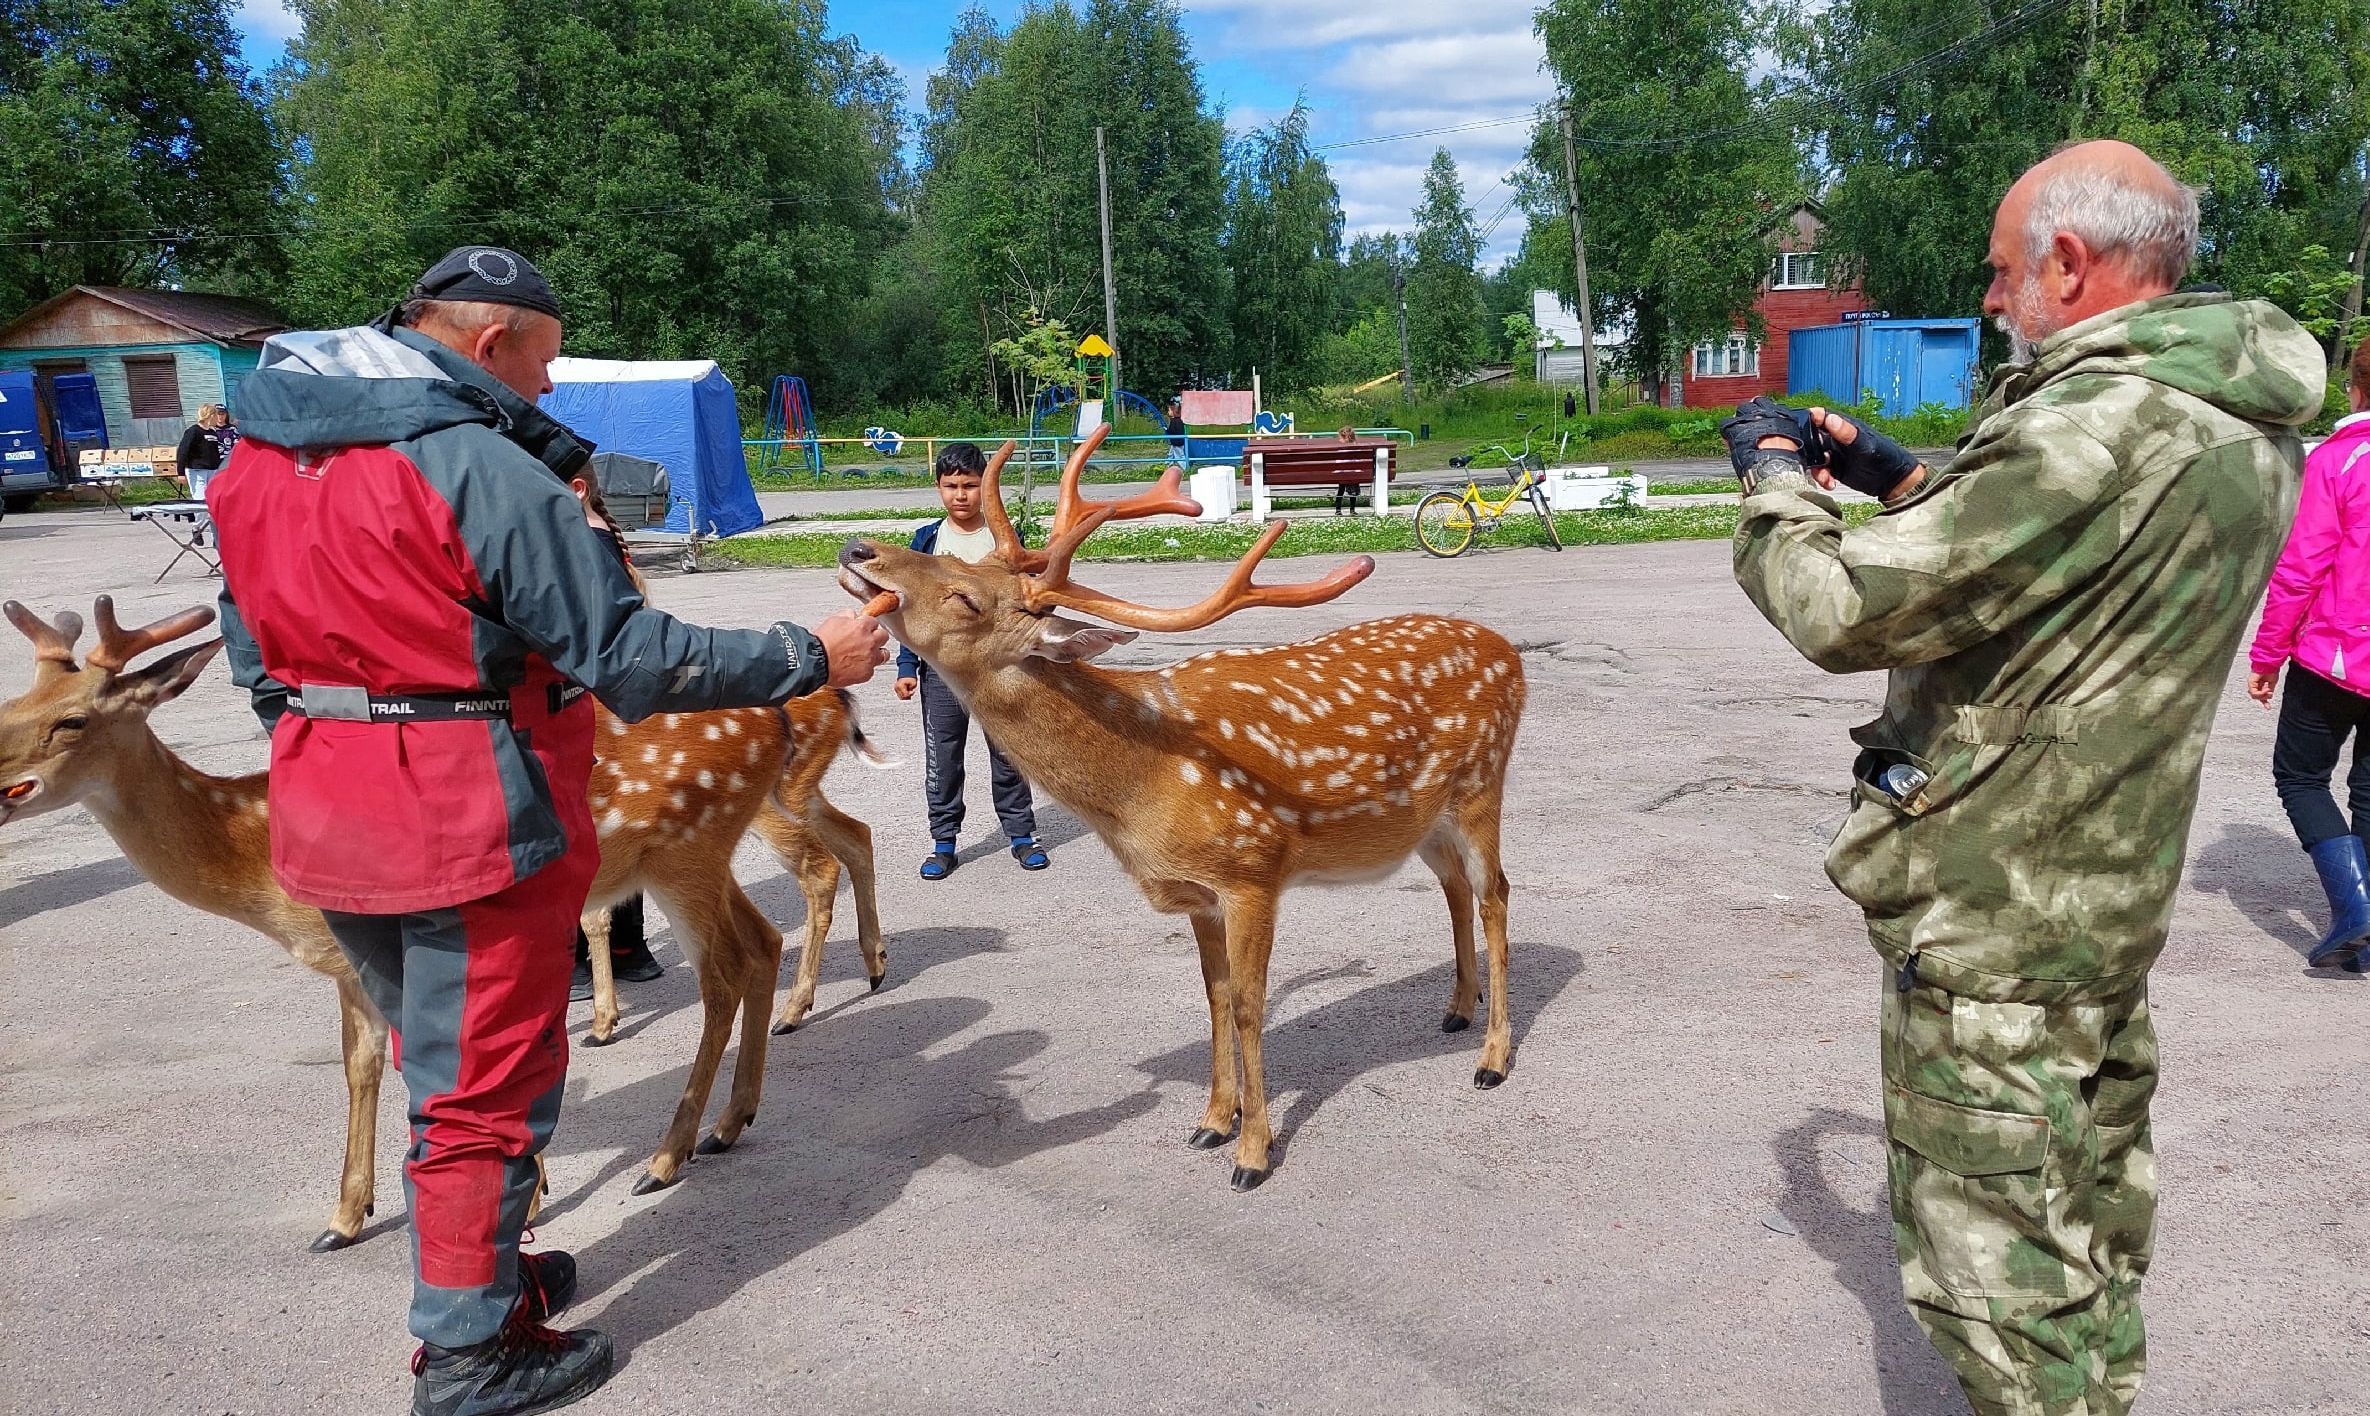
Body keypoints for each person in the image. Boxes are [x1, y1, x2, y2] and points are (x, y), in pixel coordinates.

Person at [208, 245, 888, 1416]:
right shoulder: (479, 470)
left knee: (437, 1067)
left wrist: (351, 723)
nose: (552, 390)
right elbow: (629, 658)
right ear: (487, 345)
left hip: (329, 807)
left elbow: (249, 655)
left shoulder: (260, 461)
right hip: (469, 815)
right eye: (543, 361)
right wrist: (805, 658)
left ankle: (485, 1276)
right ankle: (470, 1354)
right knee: (490, 1082)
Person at [1723, 141, 2323, 1415]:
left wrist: (1775, 481)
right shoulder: (2234, 419)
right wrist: (1900, 477)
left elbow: (1837, 609)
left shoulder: (2093, 425)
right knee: (2091, 1235)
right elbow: (2074, 563)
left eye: (2002, 274)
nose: (1992, 298)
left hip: (1997, 921)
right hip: (2103, 904)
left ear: (2068, 262)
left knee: (2003, 1293)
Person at [2247, 335, 2370, 972]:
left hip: (2336, 654)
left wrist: (2268, 654)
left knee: (2300, 777)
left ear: (2354, 386)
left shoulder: (2339, 461)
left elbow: (2300, 569)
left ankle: (2356, 910)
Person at [893, 441, 1047, 878]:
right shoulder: (927, 541)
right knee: (943, 756)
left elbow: (1027, 600)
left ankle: (1022, 834)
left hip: (999, 668)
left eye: (970, 485)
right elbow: (910, 611)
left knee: (1008, 752)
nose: (960, 494)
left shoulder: (1005, 538)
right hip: (941, 669)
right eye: (951, 486)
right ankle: (943, 841)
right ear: (939, 488)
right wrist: (908, 666)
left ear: (987, 487)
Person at [175, 403, 233, 496]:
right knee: (200, 497)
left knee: (212, 497)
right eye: (216, 415)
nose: (218, 418)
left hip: (212, 470)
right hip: (197, 470)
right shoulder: (193, 431)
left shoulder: (212, 432)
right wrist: (180, 473)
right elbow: (183, 451)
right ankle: (200, 511)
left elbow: (215, 453)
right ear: (211, 416)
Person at [1165, 396, 1187, 464]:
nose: (1168, 412)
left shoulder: (1175, 421)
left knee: (1179, 455)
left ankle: (1184, 467)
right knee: (1172, 452)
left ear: (1173, 411)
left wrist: (1167, 430)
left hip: (1177, 442)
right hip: (1177, 441)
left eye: (1169, 410)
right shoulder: (1178, 420)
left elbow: (1173, 430)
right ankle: (1169, 463)